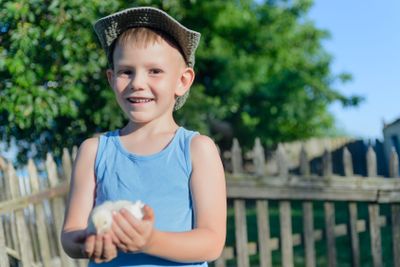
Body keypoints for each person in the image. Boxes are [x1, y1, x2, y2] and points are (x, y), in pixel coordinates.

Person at [60, 6, 226, 267]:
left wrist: (150, 241)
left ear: (182, 81)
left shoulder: (197, 149)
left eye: (155, 71)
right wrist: (89, 240)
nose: (137, 82)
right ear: (111, 78)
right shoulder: (93, 151)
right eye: (126, 71)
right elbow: (70, 235)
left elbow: (212, 242)